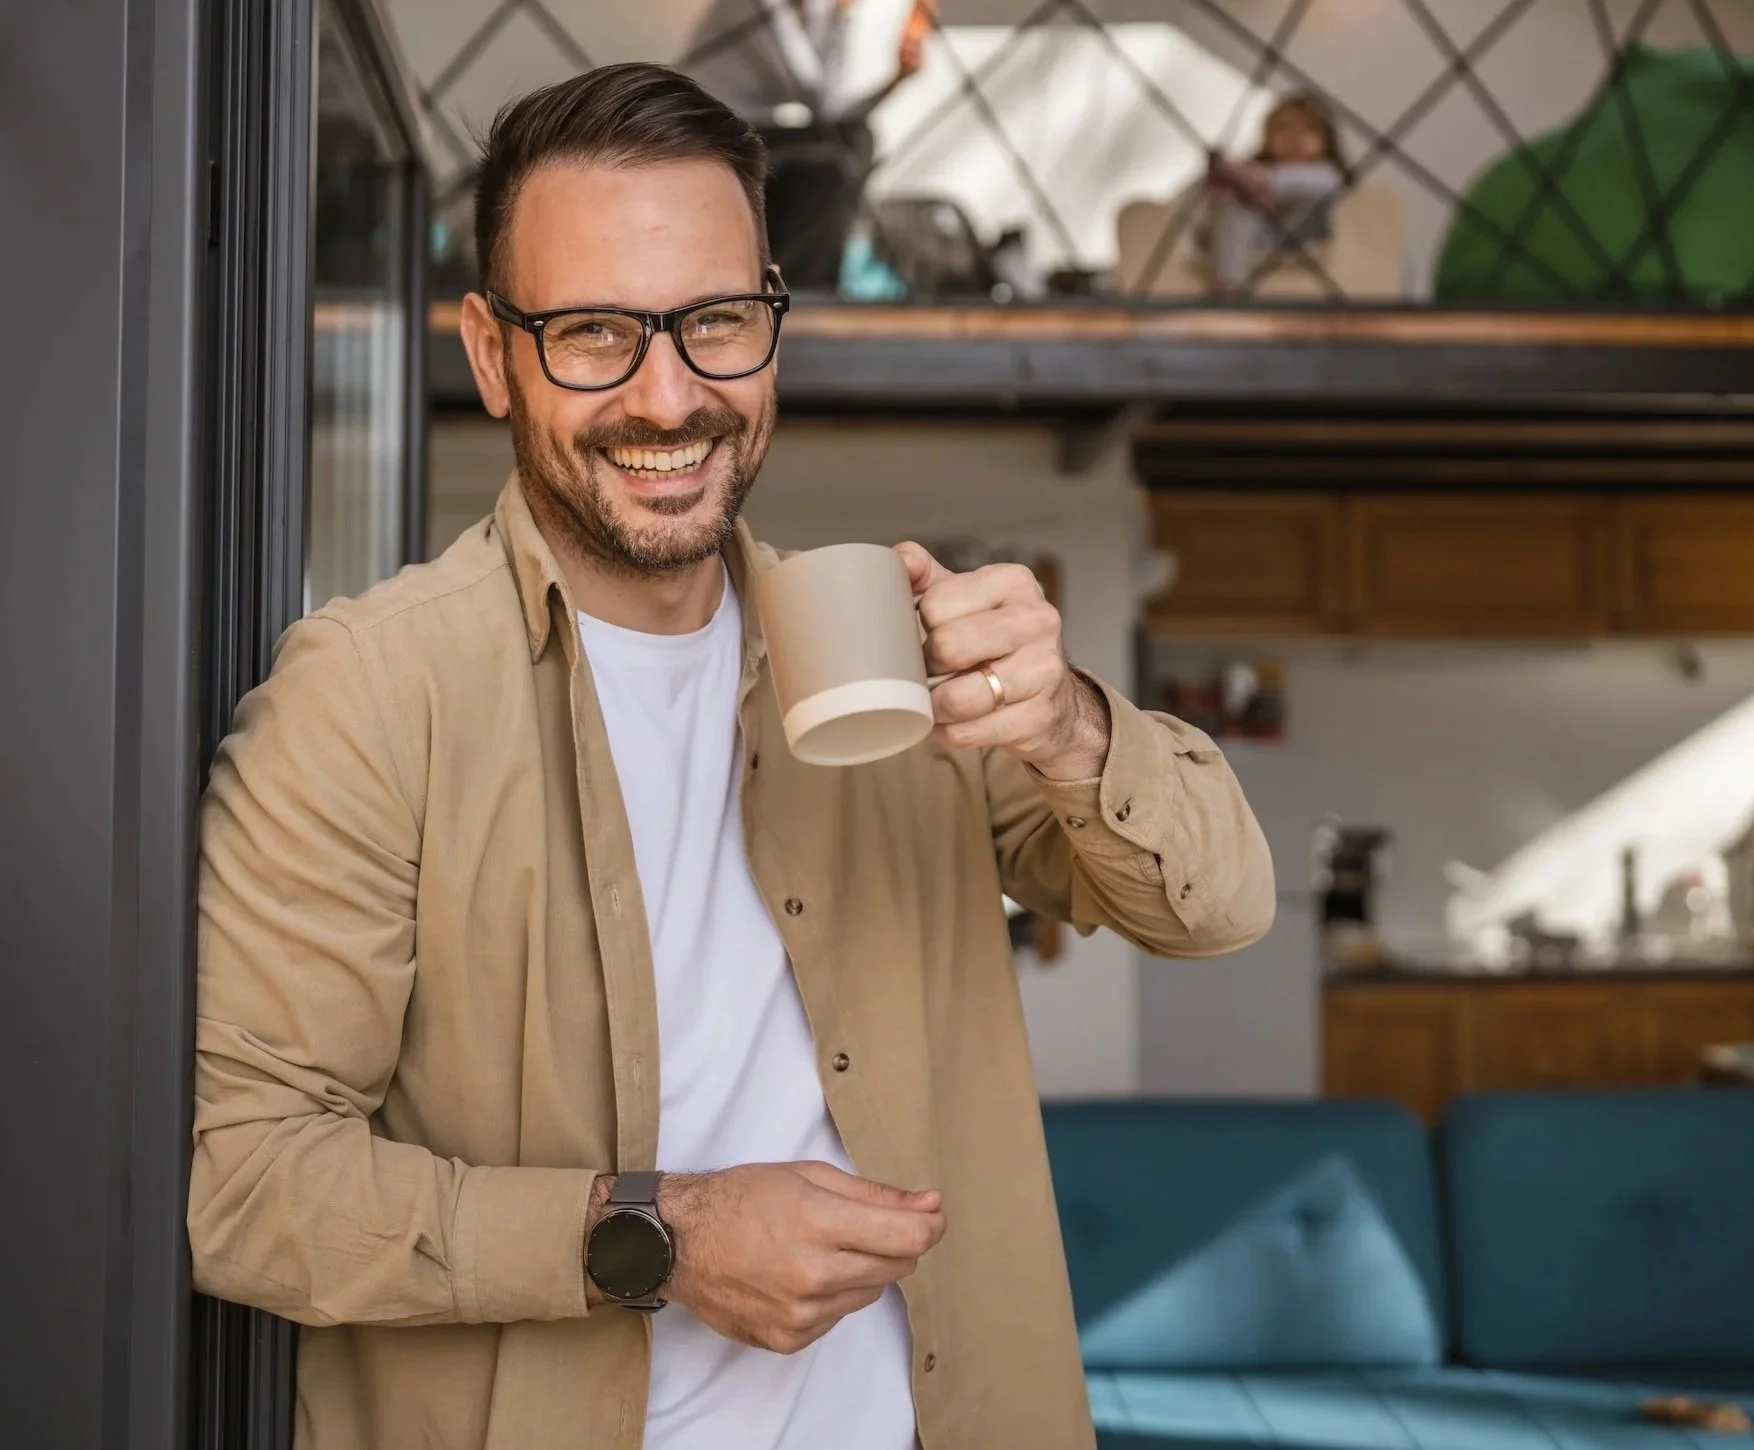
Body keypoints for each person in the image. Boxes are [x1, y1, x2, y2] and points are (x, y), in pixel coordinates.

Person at [187, 63, 1275, 1450]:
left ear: (771, 320)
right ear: (491, 352)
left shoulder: (890, 651)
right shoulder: (370, 698)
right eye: (592, 332)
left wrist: (1067, 723)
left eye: (714, 322)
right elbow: (244, 1185)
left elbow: (1217, 906)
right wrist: (657, 1237)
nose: (668, 396)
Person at [681, 0, 933, 287]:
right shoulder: (753, 7)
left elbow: (836, 111)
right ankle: (807, 284)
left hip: (756, 133)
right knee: (841, 154)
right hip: (711, 135)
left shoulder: (814, 10)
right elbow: (820, 100)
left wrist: (897, 79)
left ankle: (815, 280)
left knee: (856, 139)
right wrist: (840, 20)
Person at [1205, 91, 1352, 295]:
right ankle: (1227, 285)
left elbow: (1280, 182)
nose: (1295, 138)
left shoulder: (1328, 175)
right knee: (1234, 206)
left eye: (1309, 129)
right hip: (1263, 241)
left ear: (1327, 139)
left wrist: (1244, 175)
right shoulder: (1260, 172)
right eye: (1283, 128)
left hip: (1308, 238)